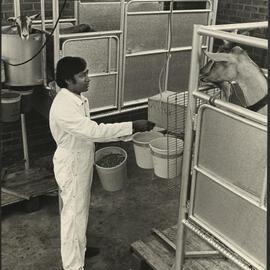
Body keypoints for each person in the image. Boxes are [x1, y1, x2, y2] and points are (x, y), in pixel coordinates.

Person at [49, 56, 155, 270]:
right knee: (73, 216)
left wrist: (128, 132)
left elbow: (88, 132)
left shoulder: (75, 97)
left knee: (80, 211)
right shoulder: (64, 106)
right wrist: (132, 125)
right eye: (82, 75)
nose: (89, 78)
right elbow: (93, 131)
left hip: (80, 159)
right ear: (68, 81)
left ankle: (81, 250)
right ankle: (72, 266)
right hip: (72, 164)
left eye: (87, 72)